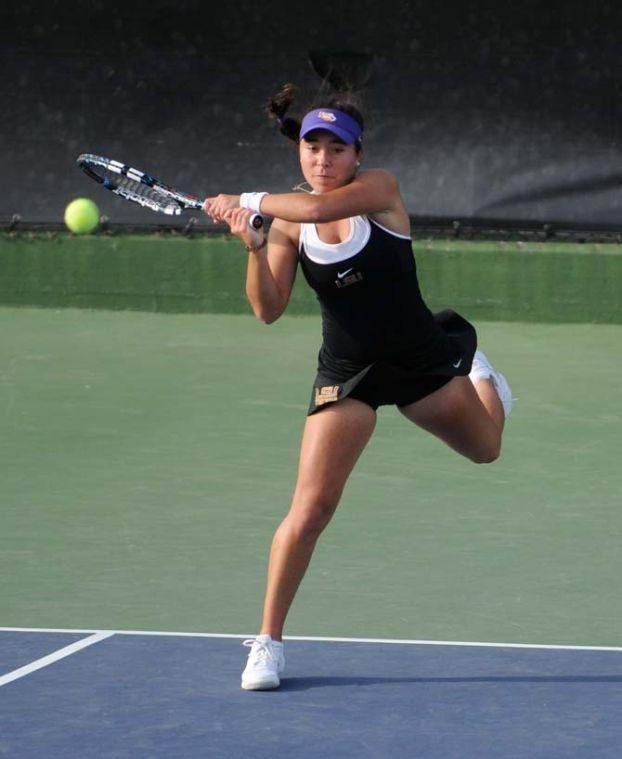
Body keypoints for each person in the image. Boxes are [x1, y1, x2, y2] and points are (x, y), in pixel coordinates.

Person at [203, 83, 513, 691]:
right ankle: (267, 643)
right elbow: (267, 309)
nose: (322, 159)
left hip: (421, 359)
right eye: (312, 147)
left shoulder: (380, 191)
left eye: (335, 149)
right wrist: (256, 242)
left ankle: (479, 370)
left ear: (356, 155)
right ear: (300, 152)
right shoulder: (287, 222)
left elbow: (318, 210)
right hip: (348, 375)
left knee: (487, 448)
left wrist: (244, 198)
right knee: (311, 508)